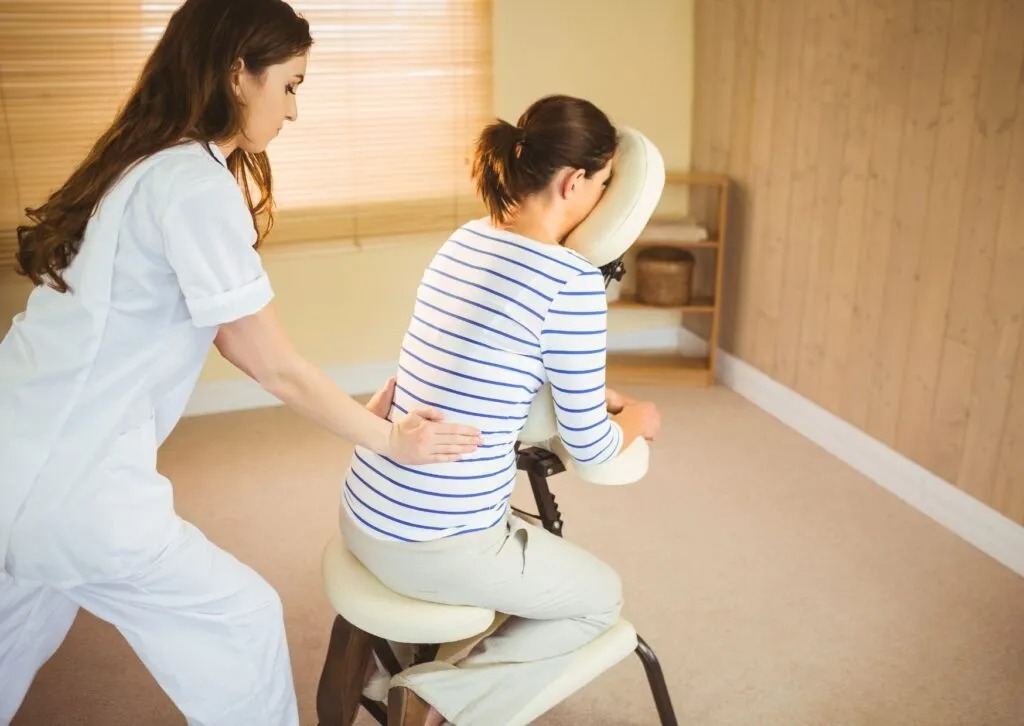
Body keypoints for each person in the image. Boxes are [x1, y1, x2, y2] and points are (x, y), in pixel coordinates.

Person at [0, 1, 481, 724]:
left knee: (16, 629)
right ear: (237, 74)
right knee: (241, 621)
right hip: (71, 483)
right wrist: (388, 439)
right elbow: (269, 361)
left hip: (15, 447)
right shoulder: (193, 184)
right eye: (289, 85)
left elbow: (237, 340)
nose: (293, 110)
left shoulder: (141, 163)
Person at [339, 95, 662, 725]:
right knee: (600, 599)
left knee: (536, 566)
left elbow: (491, 359)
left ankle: (386, 673)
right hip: (432, 545)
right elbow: (592, 446)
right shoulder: (571, 281)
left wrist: (592, 392)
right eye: (603, 185)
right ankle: (434, 701)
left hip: (364, 508)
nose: (604, 200)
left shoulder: (466, 237)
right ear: (574, 182)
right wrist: (639, 417)